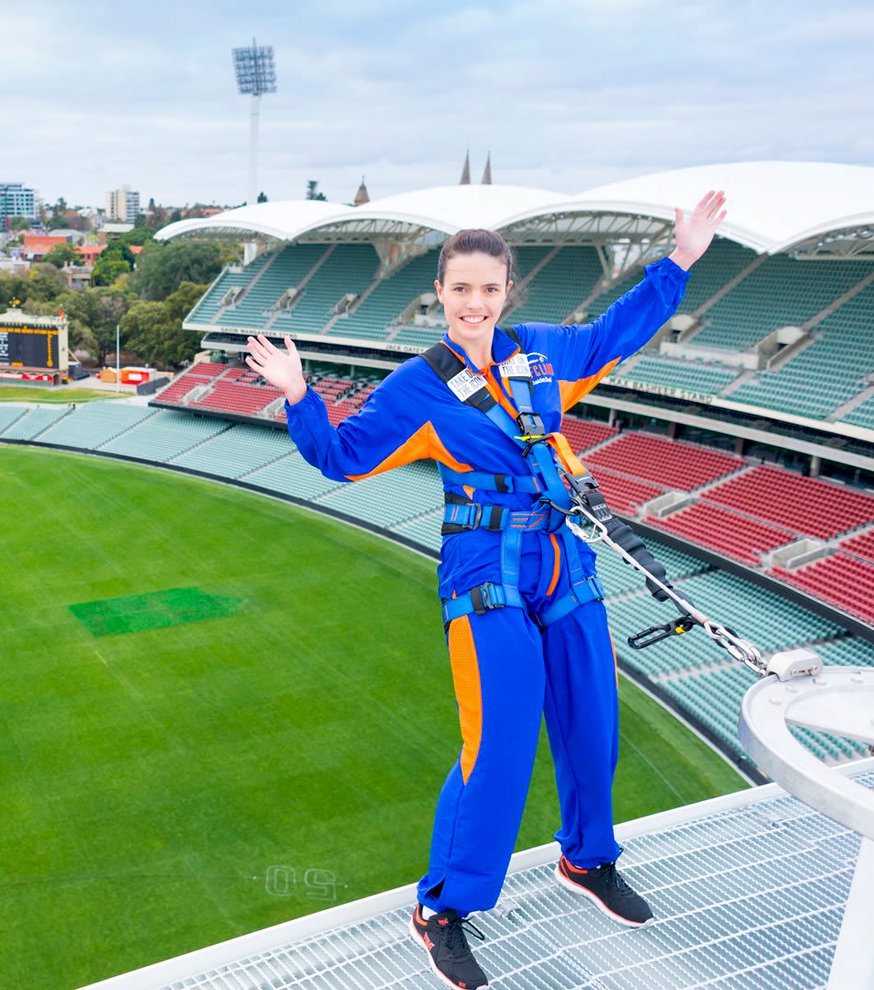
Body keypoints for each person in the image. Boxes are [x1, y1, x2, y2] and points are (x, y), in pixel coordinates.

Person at [246, 191, 727, 990]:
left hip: (562, 558)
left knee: (591, 723)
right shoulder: (416, 389)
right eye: (461, 289)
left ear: (508, 293)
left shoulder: (541, 354)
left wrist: (679, 260)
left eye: (489, 289)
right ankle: (442, 909)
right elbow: (340, 457)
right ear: (441, 291)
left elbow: (617, 332)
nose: (475, 303)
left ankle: (587, 860)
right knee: (497, 744)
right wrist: (300, 395)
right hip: (485, 568)